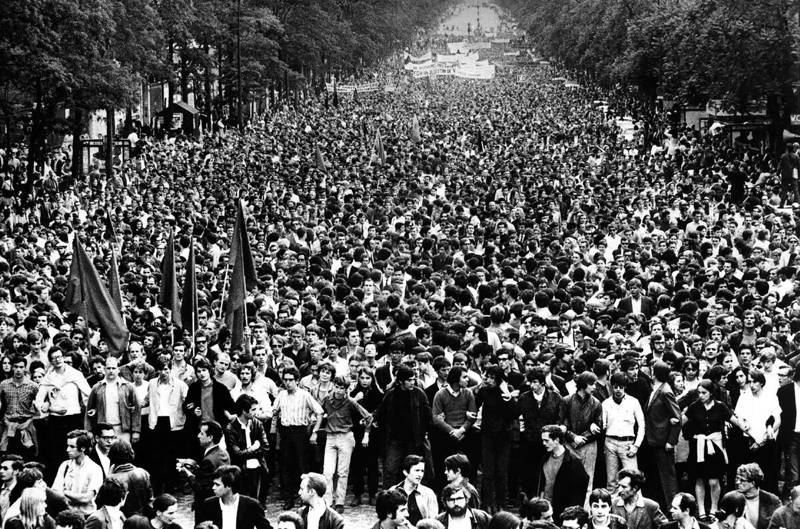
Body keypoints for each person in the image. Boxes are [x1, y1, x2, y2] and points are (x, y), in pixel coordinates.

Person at [683, 380, 747, 519]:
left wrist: (745, 427)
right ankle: (701, 509)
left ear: (711, 393)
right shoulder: (694, 406)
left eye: (704, 393)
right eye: (699, 393)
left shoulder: (720, 406)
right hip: (699, 446)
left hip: (715, 447)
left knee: (714, 480)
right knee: (699, 479)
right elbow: (683, 420)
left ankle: (714, 507)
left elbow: (734, 419)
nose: (701, 395)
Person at [271, 366, 323, 510]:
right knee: (286, 466)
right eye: (285, 380)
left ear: (297, 380)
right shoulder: (281, 395)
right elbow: (273, 411)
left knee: (302, 466)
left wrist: (315, 431)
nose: (288, 383)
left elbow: (319, 412)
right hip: (285, 433)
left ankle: (304, 499)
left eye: (291, 380)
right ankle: (288, 498)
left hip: (300, 433)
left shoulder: (305, 395)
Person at [319, 375, 371, 512]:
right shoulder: (327, 400)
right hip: (330, 437)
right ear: (333, 386)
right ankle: (328, 501)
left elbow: (368, 416)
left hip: (345, 436)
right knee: (328, 471)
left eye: (342, 388)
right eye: (337, 387)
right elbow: (319, 412)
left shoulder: (350, 402)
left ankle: (340, 502)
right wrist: (316, 423)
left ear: (346, 389)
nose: (339, 390)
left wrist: (366, 434)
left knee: (342, 472)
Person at [375, 365, 433, 488]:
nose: (412, 382)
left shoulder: (419, 394)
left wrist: (423, 433)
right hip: (394, 439)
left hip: (414, 440)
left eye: (414, 379)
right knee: (390, 470)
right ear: (401, 381)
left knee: (413, 470)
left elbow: (427, 415)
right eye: (409, 380)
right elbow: (381, 414)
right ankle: (389, 495)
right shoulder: (391, 394)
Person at [641, 361, 681, 509]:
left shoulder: (665, 391)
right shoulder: (657, 389)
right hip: (654, 440)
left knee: (668, 477)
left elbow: (677, 418)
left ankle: (673, 508)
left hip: (663, 441)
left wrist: (671, 441)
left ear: (655, 373)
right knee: (659, 477)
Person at [176, 420, 230, 523]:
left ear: (210, 437)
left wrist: (188, 473)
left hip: (206, 507)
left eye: (201, 433)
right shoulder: (223, 453)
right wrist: (196, 468)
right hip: (220, 504)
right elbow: (210, 475)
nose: (198, 436)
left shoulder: (208, 460)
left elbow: (200, 487)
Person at [535, 425, 588, 523]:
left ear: (557, 440)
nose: (543, 443)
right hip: (545, 513)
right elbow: (542, 484)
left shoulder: (574, 462)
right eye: (543, 440)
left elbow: (579, 494)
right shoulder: (544, 458)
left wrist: (571, 517)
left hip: (562, 514)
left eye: (546, 440)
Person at [602, 372, 644, 492]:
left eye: (621, 387)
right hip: (610, 443)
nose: (618, 390)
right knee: (611, 481)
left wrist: (636, 445)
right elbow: (602, 425)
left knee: (633, 479)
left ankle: (636, 503)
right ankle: (611, 502)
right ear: (612, 387)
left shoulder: (633, 402)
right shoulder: (606, 404)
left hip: (628, 444)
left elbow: (642, 425)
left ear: (625, 387)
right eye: (615, 387)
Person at [85, 356, 141, 446]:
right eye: (108, 368)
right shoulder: (97, 387)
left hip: (122, 429)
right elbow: (89, 409)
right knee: (105, 452)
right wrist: (89, 430)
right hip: (103, 430)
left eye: (114, 368)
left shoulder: (128, 386)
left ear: (118, 370)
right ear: (104, 369)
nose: (111, 371)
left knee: (123, 452)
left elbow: (137, 409)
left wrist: (136, 431)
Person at [198, 465, 272, 529]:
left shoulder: (251, 505)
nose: (213, 487)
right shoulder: (208, 505)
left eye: (217, 485)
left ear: (229, 486)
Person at [224, 395, 268, 501]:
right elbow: (236, 454)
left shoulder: (257, 424)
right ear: (244, 411)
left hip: (259, 468)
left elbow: (265, 447)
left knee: (258, 501)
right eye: (253, 410)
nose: (256, 412)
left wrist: (248, 452)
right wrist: (253, 448)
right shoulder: (230, 428)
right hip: (241, 471)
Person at [51, 430, 104, 515]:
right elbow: (55, 492)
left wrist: (65, 492)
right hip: (67, 514)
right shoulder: (65, 465)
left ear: (83, 448)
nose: (67, 450)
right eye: (68, 446)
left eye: (72, 447)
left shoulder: (95, 469)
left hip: (86, 516)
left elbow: (86, 498)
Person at [107, 440, 152, 517]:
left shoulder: (112, 478)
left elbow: (107, 504)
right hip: (142, 518)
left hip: (122, 519)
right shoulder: (143, 473)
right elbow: (150, 499)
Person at [390, 455, 438, 527]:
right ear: (406, 472)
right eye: (417, 470)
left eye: (422, 471)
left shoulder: (428, 493)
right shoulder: (393, 491)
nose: (420, 475)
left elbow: (433, 522)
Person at [734, 464, 781, 529]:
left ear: (752, 483)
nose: (737, 482)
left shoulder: (772, 500)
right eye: (737, 478)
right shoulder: (732, 498)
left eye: (742, 480)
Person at [0, 454, 22, 519]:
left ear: (16, 471)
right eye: (0, 468)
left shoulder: (22, 491)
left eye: (5, 468)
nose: (1, 471)